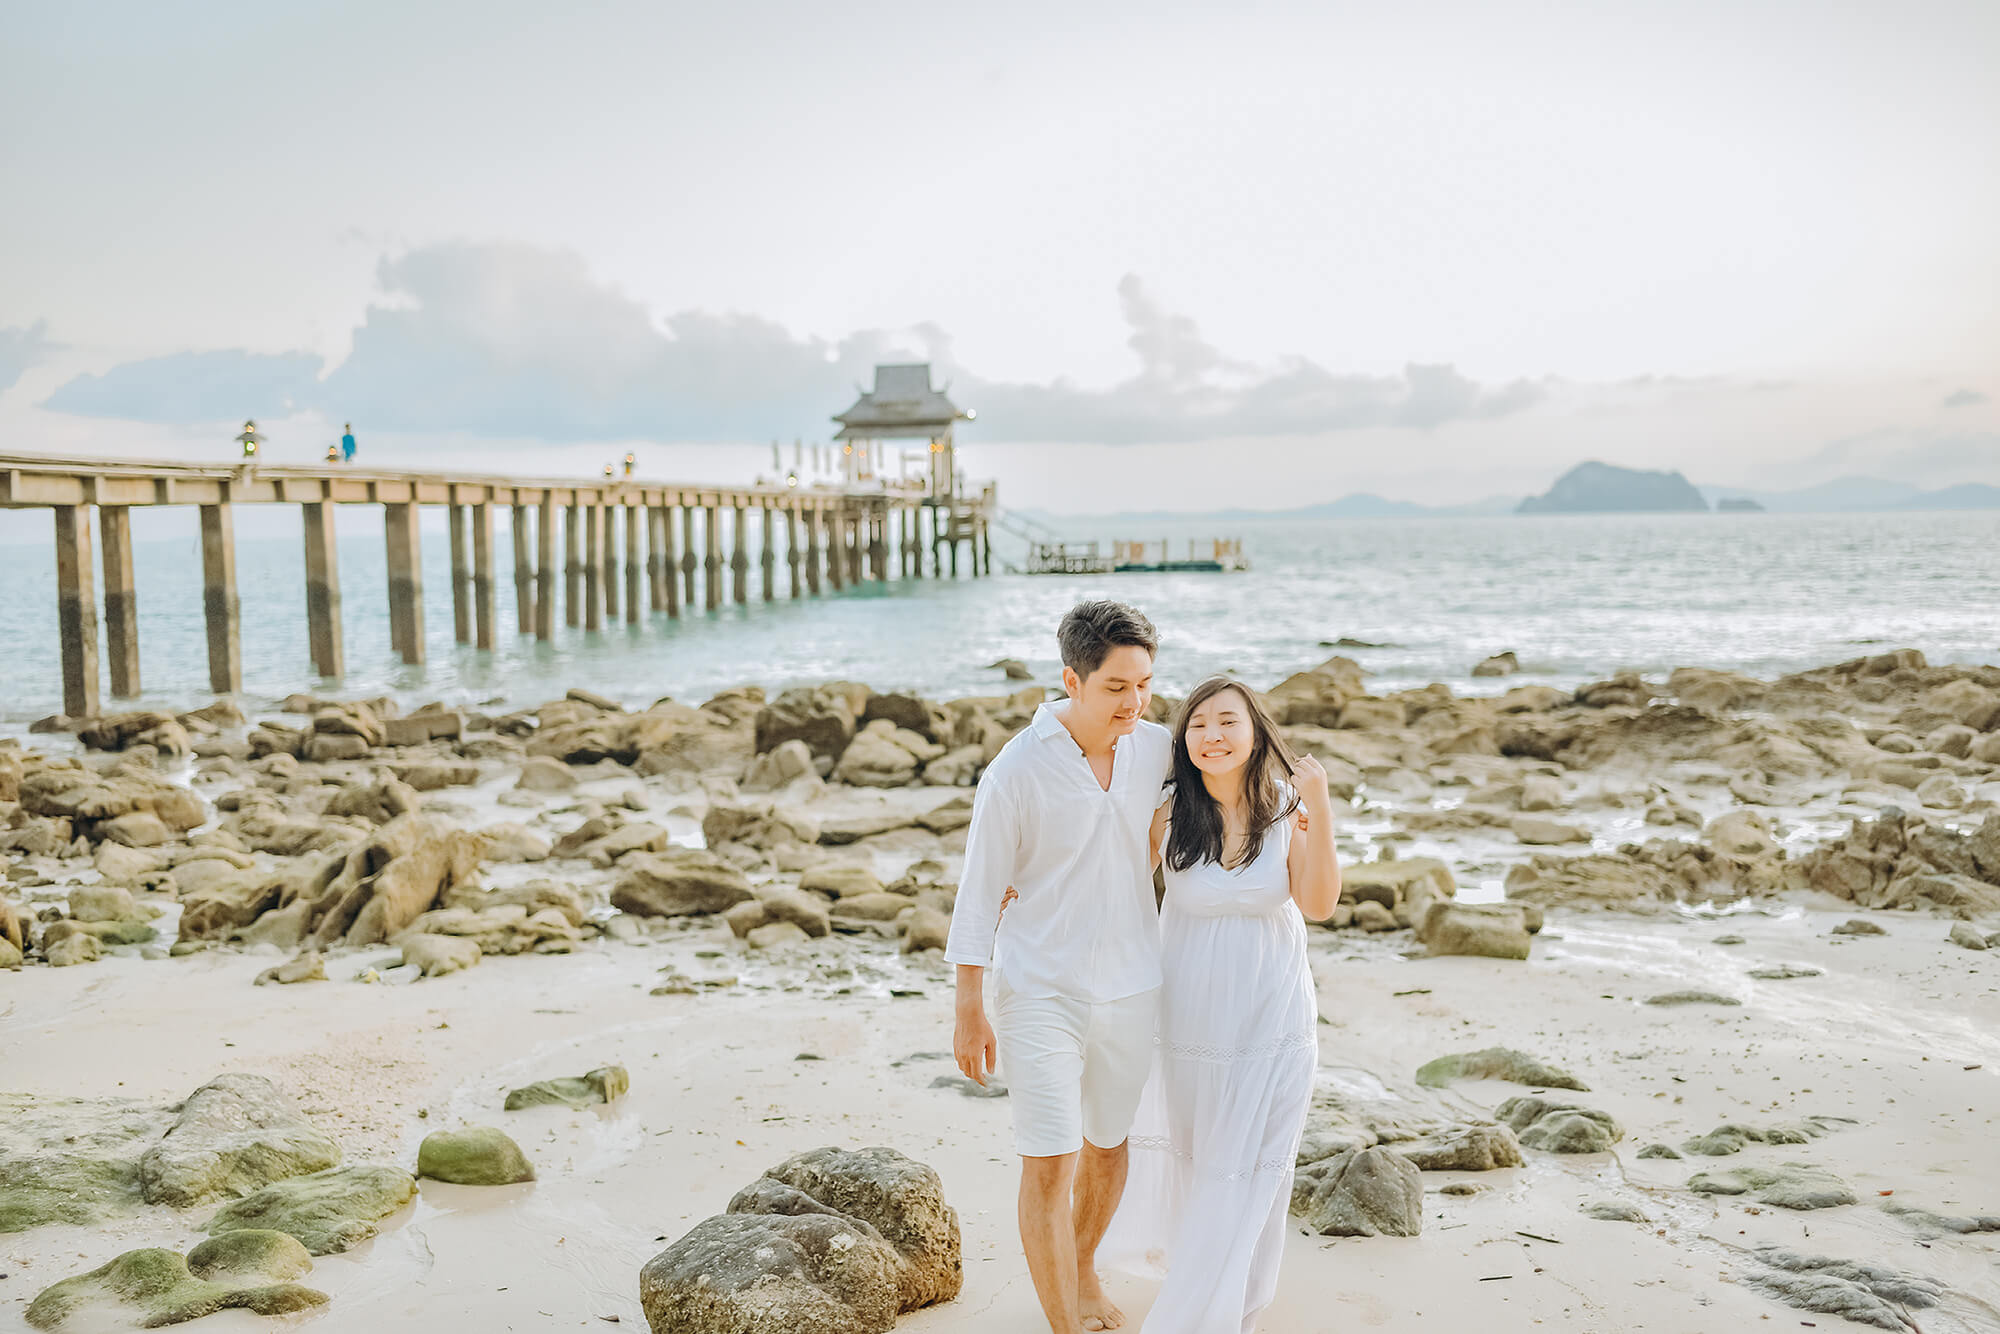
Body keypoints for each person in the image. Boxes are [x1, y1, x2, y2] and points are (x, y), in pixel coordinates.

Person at [946, 600, 1174, 1334]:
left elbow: (1231, 784)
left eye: (1144, 684)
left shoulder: (1160, 747)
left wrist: (1301, 813)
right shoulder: (1015, 770)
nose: (1134, 702)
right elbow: (980, 890)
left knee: (1109, 1150)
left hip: (1134, 983)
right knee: (1049, 1160)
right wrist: (968, 1005)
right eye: (1116, 687)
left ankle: (1079, 1275)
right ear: (1071, 681)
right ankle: (1064, 1326)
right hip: (1040, 987)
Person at [1099, 677, 1341, 1333]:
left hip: (1277, 1019)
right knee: (1207, 1163)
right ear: (1185, 741)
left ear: (1257, 731)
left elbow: (1319, 904)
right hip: (1189, 1024)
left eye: (1228, 721)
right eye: (1199, 724)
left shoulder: (1290, 805)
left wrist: (1319, 803)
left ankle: (1228, 1305)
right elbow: (1109, 881)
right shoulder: (1171, 810)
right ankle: (1218, 1292)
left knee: (1259, 1167)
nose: (1213, 735)